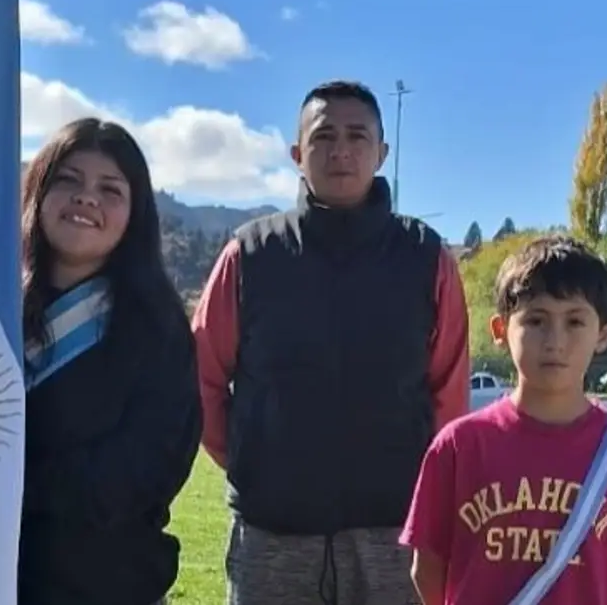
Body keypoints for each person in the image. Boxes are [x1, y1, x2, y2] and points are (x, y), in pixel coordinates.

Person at [193, 80, 471, 605]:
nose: (341, 150)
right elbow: (201, 377)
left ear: (381, 153)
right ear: (298, 154)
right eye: (323, 137)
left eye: (357, 136)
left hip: (394, 533)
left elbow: (449, 394)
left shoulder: (427, 258)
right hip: (271, 534)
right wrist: (251, 461)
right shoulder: (250, 254)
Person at [400, 236, 607, 604]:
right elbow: (427, 568)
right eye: (536, 320)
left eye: (574, 321)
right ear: (500, 330)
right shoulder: (459, 445)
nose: (555, 341)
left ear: (604, 333)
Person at [17, 117, 201, 605]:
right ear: (38, 193)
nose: (86, 198)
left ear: (135, 213)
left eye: (110, 189)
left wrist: (14, 484)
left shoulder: (158, 329)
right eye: (68, 180)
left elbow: (147, 467)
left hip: (110, 586)